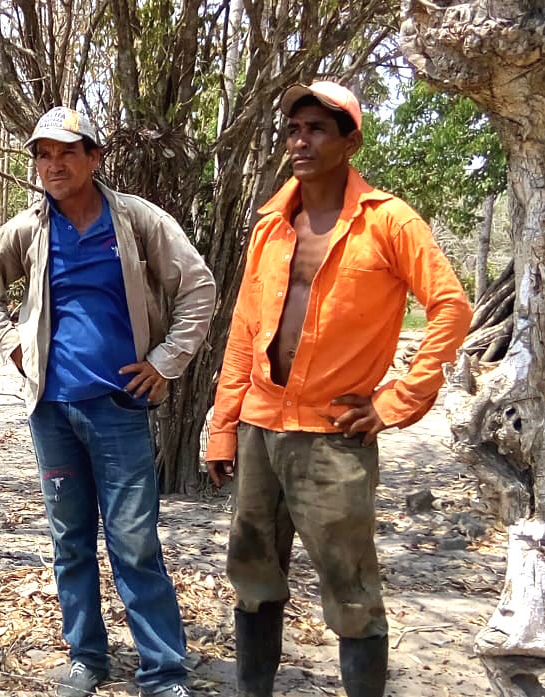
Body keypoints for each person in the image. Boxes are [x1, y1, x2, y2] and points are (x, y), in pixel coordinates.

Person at [204, 81, 473, 696]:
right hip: (260, 428)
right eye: (295, 129)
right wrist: (224, 426)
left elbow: (451, 307)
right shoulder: (272, 225)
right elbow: (246, 330)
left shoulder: (388, 221)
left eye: (318, 129)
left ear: (350, 141)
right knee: (252, 578)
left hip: (332, 437)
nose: (301, 140)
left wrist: (397, 400)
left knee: (350, 589)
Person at [0, 106, 217, 697]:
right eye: (42, 154)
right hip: (51, 411)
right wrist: (13, 346)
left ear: (94, 158)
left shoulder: (135, 221)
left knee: (134, 540)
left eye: (66, 153)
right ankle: (87, 657)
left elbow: (198, 285)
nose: (52, 165)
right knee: (70, 540)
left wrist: (165, 363)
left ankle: (163, 671)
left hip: (119, 408)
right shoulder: (27, 229)